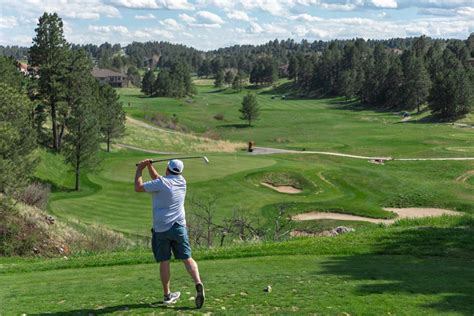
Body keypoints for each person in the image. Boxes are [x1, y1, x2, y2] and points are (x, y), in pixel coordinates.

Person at [135, 158, 205, 308]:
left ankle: (167, 295)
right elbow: (160, 179)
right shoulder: (182, 181)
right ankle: (198, 283)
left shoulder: (162, 183)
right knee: (187, 258)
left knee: (165, 261)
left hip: (161, 229)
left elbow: (138, 187)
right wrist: (149, 166)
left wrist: (140, 169)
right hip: (179, 227)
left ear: (168, 169)